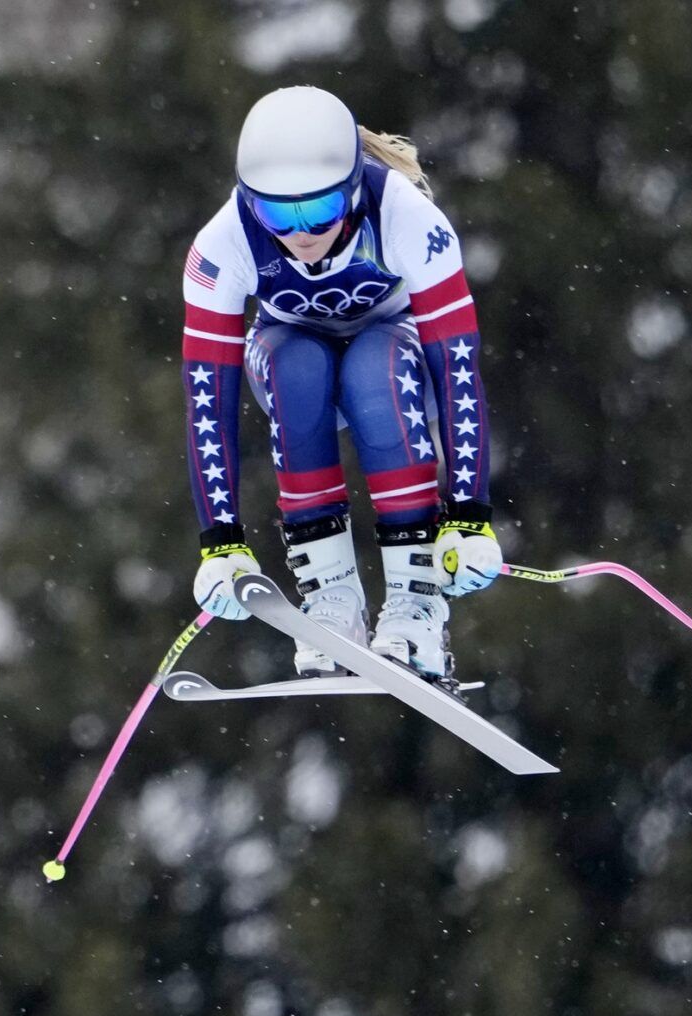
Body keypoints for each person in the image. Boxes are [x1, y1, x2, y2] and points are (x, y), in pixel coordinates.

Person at [183, 85, 502, 681]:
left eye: (320, 210)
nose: (301, 233)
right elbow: (208, 398)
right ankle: (331, 600)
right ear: (252, 204)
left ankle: (415, 605)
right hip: (291, 362)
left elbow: (457, 368)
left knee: (372, 367)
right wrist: (220, 542)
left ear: (354, 189)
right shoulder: (221, 244)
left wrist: (470, 513)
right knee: (297, 366)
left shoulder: (406, 216)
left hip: (397, 359)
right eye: (279, 213)